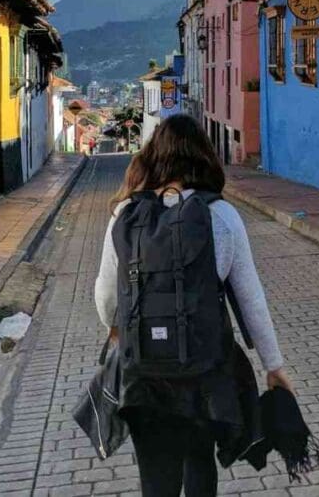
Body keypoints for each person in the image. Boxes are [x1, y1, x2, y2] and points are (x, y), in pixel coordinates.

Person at [94, 114, 291, 497]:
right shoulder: (222, 215)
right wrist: (274, 366)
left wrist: (115, 328)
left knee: (156, 477)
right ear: (205, 157)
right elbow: (251, 301)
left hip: (144, 373)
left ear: (153, 157)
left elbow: (105, 296)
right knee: (199, 463)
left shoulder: (126, 214)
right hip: (204, 372)